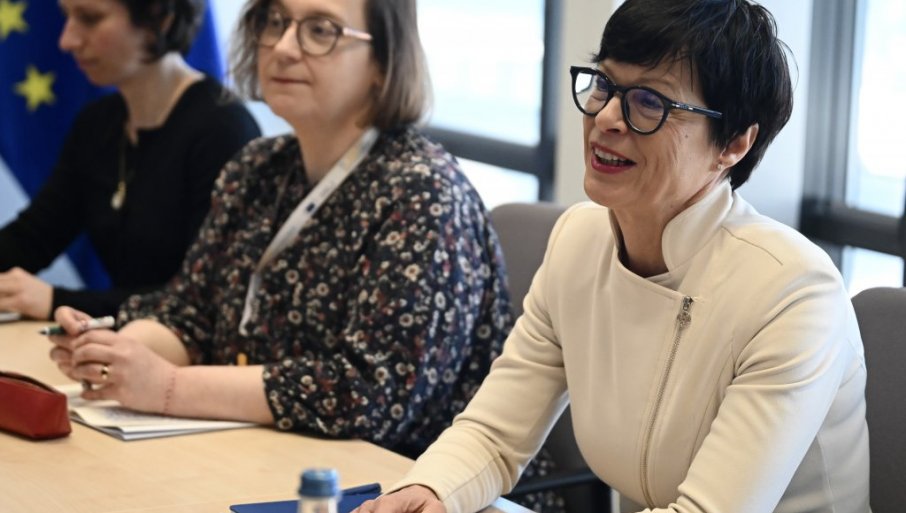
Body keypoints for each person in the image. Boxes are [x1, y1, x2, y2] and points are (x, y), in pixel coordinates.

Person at [46, 2, 562, 512]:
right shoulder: (257, 167)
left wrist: (168, 387)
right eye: (275, 22)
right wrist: (116, 353)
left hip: (412, 492)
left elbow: (369, 396)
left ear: (383, 62)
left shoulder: (424, 194)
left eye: (320, 30)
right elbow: (191, 313)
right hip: (268, 464)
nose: (284, 47)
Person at [360, 1, 870, 513]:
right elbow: (494, 435)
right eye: (604, 84)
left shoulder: (792, 293)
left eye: (649, 102)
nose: (605, 118)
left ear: (733, 143)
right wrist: (427, 492)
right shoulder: (578, 242)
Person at [0, 0, 261, 320]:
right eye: (67, 18)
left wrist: (58, 301)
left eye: (90, 19)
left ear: (159, 19)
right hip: (118, 340)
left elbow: (207, 296)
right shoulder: (98, 123)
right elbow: (33, 237)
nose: (67, 41)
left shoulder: (224, 131)